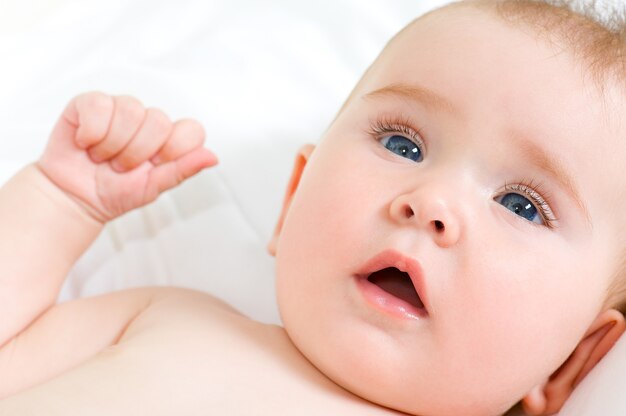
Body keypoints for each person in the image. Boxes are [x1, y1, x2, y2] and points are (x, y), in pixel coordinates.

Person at [1, 0, 625, 415]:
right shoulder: (165, 319)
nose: (431, 202)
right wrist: (60, 203)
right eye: (402, 144)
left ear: (572, 359)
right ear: (292, 199)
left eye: (520, 205)